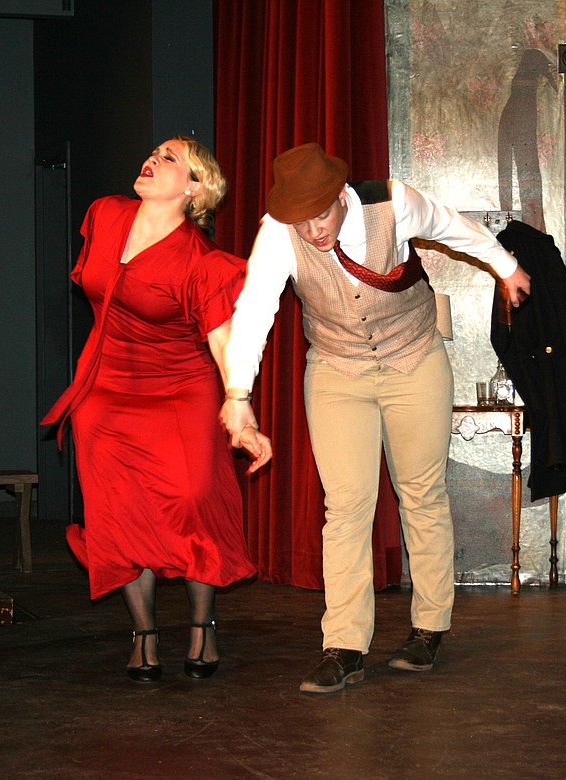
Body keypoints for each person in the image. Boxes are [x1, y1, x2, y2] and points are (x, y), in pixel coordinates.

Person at [220, 143, 530, 694]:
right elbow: (254, 310)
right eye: (301, 219)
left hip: (414, 358)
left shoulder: (395, 203)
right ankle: (343, 645)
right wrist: (238, 393)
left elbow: (454, 227)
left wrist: (505, 267)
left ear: (341, 196)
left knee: (421, 493)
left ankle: (428, 627)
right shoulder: (278, 232)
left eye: (321, 214)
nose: (313, 231)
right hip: (339, 371)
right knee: (345, 506)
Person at [41, 136, 271, 684]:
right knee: (117, 508)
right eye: (155, 152)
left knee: (193, 498)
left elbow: (222, 342)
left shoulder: (202, 261)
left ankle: (202, 623)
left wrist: (242, 409)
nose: (153, 160)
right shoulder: (105, 215)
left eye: (171, 159)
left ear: (195, 189)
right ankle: (144, 632)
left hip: (179, 387)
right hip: (106, 386)